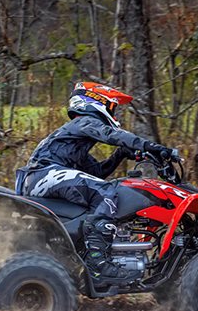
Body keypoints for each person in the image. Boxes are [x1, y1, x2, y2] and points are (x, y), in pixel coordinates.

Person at [15, 82, 174, 279]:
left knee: (99, 188)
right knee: (107, 192)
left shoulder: (74, 138)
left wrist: (120, 155)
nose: (114, 115)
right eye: (113, 107)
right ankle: (98, 260)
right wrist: (152, 147)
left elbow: (96, 171)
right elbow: (112, 134)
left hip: (41, 177)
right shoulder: (84, 121)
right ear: (96, 102)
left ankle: (87, 250)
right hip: (45, 174)